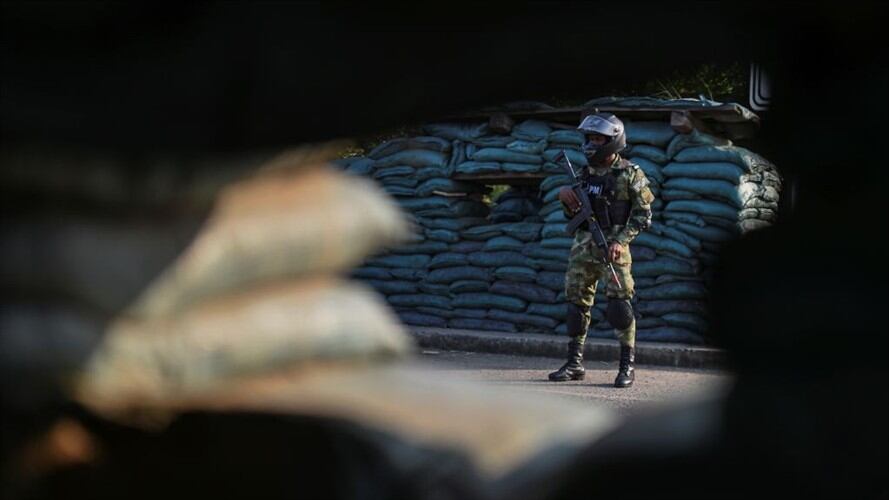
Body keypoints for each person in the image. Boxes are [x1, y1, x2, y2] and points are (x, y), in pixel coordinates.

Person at [548, 113, 655, 388]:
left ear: (613, 142)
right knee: (576, 305)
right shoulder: (582, 175)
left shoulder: (630, 174)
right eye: (591, 139)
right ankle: (574, 363)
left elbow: (643, 216)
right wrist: (565, 198)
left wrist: (621, 241)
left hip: (613, 250)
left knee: (620, 307)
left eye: (599, 139)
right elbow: (572, 215)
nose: (592, 144)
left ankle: (626, 366)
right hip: (583, 248)